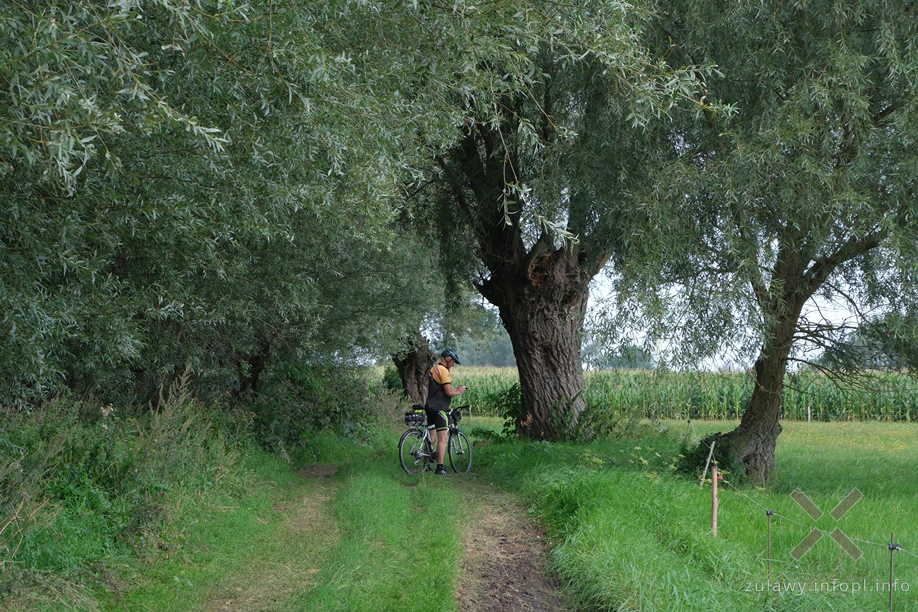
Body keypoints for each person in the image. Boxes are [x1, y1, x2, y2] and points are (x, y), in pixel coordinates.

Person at [425, 348, 467, 475]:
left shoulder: (434, 369)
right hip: (439, 408)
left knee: (431, 439)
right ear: (447, 359)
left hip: (429, 407)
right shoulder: (444, 371)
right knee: (443, 438)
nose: (453, 364)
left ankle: (425, 465)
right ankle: (440, 468)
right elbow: (448, 392)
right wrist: (459, 390)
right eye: (453, 361)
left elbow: (440, 388)